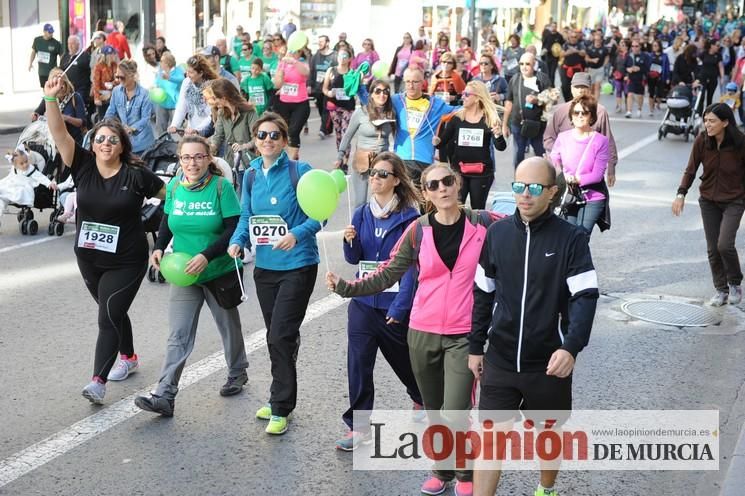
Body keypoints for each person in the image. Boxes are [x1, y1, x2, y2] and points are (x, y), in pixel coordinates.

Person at [328, 162, 500, 496]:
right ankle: (442, 471)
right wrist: (346, 288)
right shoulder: (418, 230)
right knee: (435, 410)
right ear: (425, 193)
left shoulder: (484, 223)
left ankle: (465, 475)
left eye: (447, 181)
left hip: (465, 334)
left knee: (456, 410)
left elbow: (525, 227)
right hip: (422, 331)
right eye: (433, 185)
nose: (442, 189)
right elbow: (388, 273)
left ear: (458, 183)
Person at [470, 156, 598, 496]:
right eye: (518, 186)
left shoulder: (572, 239)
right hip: (500, 358)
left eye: (534, 188)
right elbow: (483, 294)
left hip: (548, 363)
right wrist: (474, 347)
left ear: (552, 192)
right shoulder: (496, 234)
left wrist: (570, 346)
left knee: (548, 433)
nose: (524, 195)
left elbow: (585, 296)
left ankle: (545, 488)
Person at [43, 75, 166, 404]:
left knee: (108, 312)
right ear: (93, 144)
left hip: (127, 259)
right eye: (101, 139)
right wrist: (51, 99)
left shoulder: (137, 174)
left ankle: (97, 381)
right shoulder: (81, 165)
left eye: (113, 139)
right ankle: (129, 357)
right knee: (112, 310)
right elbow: (58, 132)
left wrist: (173, 235)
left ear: (122, 145)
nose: (106, 144)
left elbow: (173, 196)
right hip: (89, 257)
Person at [133, 135, 249, 417]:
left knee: (228, 327)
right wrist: (159, 248)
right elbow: (167, 221)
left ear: (209, 158)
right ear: (180, 160)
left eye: (198, 157)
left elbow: (233, 227)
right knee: (178, 334)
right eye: (186, 157)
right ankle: (165, 395)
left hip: (217, 270)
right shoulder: (174, 187)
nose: (192, 162)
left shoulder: (221, 188)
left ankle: (237, 372)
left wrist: (207, 256)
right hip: (184, 272)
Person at [228, 112, 321, 435]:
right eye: (262, 135)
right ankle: (280, 392)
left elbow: (319, 216)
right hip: (265, 268)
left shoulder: (300, 171)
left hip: (298, 264)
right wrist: (238, 242)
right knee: (280, 335)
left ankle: (281, 405)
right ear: (255, 140)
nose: (267, 140)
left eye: (274, 135)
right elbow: (246, 216)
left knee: (279, 335)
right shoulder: (252, 174)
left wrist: (296, 234)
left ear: (284, 140)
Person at [334, 152, 423, 451]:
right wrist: (350, 241)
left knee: (403, 360)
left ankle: (420, 396)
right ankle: (358, 427)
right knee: (358, 363)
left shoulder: (411, 217)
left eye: (383, 174)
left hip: (393, 303)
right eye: (373, 172)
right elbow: (354, 259)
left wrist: (401, 307)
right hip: (362, 302)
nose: (375, 177)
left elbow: (411, 267)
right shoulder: (360, 213)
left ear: (396, 180)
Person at [673, 103, 745, 306]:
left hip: (734, 200)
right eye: (705, 120)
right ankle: (721, 289)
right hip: (708, 201)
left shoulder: (740, 143)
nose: (707, 124)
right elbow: (691, 169)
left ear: (725, 122)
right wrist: (681, 194)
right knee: (713, 248)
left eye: (712, 121)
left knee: (725, 245)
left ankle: (734, 283)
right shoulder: (702, 140)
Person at [550, 95, 611, 237]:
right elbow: (554, 158)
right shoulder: (563, 137)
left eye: (584, 112)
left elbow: (597, 175)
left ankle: (580, 259)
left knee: (581, 236)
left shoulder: (601, 141)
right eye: (576, 112)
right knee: (568, 236)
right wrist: (562, 174)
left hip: (592, 196)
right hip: (569, 194)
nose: (580, 116)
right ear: (571, 115)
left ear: (592, 116)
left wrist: (577, 179)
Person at [439, 80, 506, 209]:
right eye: (463, 93)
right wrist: (437, 142)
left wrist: (498, 134)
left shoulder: (489, 118)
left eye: (467, 94)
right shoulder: (457, 117)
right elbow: (443, 142)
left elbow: (501, 147)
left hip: (482, 173)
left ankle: (478, 230)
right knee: (457, 208)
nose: (462, 96)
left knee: (478, 210)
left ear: (477, 98)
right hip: (459, 171)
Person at [543, 72, 618, 188]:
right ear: (571, 88)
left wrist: (611, 168)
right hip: (565, 174)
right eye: (577, 87)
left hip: (591, 175)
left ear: (590, 89)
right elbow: (548, 138)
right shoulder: (561, 111)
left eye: (584, 87)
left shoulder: (600, 111)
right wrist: (560, 154)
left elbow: (608, 141)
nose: (580, 90)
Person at [392, 67, 458, 187]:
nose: (411, 86)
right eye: (408, 82)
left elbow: (459, 111)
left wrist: (481, 100)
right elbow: (372, 104)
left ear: (423, 82)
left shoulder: (436, 104)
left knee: (422, 202)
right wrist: (359, 87)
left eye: (415, 82)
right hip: (401, 159)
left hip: (424, 161)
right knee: (401, 201)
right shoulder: (396, 100)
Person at [336, 79, 396, 207]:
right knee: (360, 202)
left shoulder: (391, 113)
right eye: (378, 91)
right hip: (363, 160)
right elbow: (347, 136)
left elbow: (398, 137)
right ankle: (359, 226)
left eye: (386, 92)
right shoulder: (361, 112)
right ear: (371, 94)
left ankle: (376, 226)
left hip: (382, 161)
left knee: (381, 201)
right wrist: (339, 157)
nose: (382, 95)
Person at [502, 52, 552, 168]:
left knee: (540, 153)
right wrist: (504, 124)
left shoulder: (542, 78)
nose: (524, 66)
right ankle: (519, 180)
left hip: (538, 124)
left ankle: (542, 178)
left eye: (527, 64)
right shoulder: (515, 79)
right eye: (521, 64)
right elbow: (508, 102)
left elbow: (552, 98)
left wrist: (538, 99)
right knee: (518, 154)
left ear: (534, 64)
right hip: (518, 123)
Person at [204, 78, 258, 171]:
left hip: (249, 163)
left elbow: (257, 138)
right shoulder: (221, 112)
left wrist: (243, 146)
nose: (213, 101)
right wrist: (209, 148)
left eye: (215, 98)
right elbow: (218, 137)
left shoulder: (249, 112)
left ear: (224, 98)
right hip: (230, 163)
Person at [104, 60, 155, 155]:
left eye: (122, 77)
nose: (119, 80)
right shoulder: (116, 91)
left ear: (131, 75)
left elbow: (146, 118)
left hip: (143, 143)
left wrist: (132, 128)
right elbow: (111, 112)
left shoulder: (144, 94)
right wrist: (106, 123)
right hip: (125, 142)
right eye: (117, 77)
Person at [0, 147, 56, 231]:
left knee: (20, 191)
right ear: (15, 165)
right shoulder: (14, 168)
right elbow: (11, 176)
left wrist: (49, 183)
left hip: (25, 184)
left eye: (26, 162)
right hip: (13, 183)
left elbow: (40, 177)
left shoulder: (30, 169)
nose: (25, 165)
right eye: (21, 164)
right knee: (2, 195)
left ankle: (11, 197)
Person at [272, 49, 311, 160]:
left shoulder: (302, 63)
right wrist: (281, 73)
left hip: (300, 104)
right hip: (284, 103)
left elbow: (305, 73)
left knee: (293, 131)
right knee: (286, 133)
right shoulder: (282, 64)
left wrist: (294, 61)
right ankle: (293, 156)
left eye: (294, 52)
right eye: (289, 52)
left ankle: (292, 160)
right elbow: (277, 84)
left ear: (299, 53)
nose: (291, 54)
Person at [31, 68, 87, 144]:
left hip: (73, 140)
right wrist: (35, 116)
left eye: (62, 84)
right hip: (53, 141)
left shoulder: (75, 97)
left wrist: (66, 118)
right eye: (55, 85)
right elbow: (37, 113)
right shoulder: (49, 97)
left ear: (66, 83)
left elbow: (82, 122)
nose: (59, 88)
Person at [169, 54, 219, 137]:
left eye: (191, 72)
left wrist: (197, 130)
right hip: (190, 130)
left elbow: (212, 114)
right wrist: (174, 125)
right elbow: (181, 106)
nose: (188, 75)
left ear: (201, 73)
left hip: (208, 131)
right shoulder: (186, 82)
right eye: (187, 71)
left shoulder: (211, 86)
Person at [323, 46, 357, 165]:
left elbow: (356, 89)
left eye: (345, 56)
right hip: (335, 106)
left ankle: (346, 161)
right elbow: (324, 88)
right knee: (338, 134)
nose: (342, 58)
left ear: (349, 59)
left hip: (348, 107)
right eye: (340, 56)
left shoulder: (353, 73)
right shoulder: (331, 70)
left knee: (346, 132)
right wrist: (329, 93)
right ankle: (340, 159)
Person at [309, 35, 336, 138]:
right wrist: (309, 85)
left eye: (322, 41)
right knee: (321, 108)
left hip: (329, 87)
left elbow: (338, 70)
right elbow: (311, 71)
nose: (319, 43)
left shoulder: (334, 56)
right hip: (317, 87)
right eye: (318, 41)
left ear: (327, 43)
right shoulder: (315, 56)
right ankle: (328, 128)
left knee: (326, 108)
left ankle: (323, 130)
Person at [153, 52, 185, 135]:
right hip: (162, 103)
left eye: (161, 61)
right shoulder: (160, 72)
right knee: (160, 129)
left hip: (174, 104)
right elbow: (157, 83)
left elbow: (181, 79)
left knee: (178, 129)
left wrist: (169, 78)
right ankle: (164, 145)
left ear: (167, 63)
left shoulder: (178, 70)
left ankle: (182, 146)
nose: (160, 63)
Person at [60, 35, 92, 116]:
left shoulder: (85, 57)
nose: (70, 46)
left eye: (73, 44)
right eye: (68, 43)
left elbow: (91, 73)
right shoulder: (65, 57)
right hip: (66, 89)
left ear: (78, 44)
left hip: (80, 89)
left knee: (76, 110)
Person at [624, 39, 649, 118]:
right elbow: (625, 66)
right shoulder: (629, 56)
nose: (634, 48)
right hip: (631, 78)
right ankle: (629, 111)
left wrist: (639, 68)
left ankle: (639, 109)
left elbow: (647, 67)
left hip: (641, 78)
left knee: (640, 96)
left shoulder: (645, 56)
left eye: (636, 46)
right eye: (633, 46)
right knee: (630, 94)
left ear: (640, 47)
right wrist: (628, 70)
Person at [92, 45, 118, 121]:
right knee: (103, 117)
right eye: (112, 54)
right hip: (102, 95)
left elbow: (118, 79)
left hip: (113, 94)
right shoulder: (99, 66)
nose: (114, 55)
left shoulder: (114, 65)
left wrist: (112, 84)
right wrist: (96, 98)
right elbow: (96, 82)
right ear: (107, 55)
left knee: (113, 117)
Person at [559, 30, 586, 102]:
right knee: (564, 86)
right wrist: (569, 52)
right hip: (566, 68)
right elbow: (561, 54)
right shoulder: (565, 45)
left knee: (576, 86)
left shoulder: (580, 45)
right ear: (569, 37)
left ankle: (573, 101)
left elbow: (583, 53)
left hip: (577, 69)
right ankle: (567, 101)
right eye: (572, 37)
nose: (573, 38)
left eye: (575, 37)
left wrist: (576, 51)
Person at [698, 40, 725, 111]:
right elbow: (697, 62)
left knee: (710, 97)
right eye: (717, 45)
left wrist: (722, 77)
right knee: (701, 96)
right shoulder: (704, 53)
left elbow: (721, 66)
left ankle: (708, 113)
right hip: (703, 77)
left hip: (713, 78)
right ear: (712, 46)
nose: (718, 47)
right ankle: (699, 113)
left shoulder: (718, 55)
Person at [647, 40, 671, 116]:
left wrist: (667, 77)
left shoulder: (664, 56)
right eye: (653, 46)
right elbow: (647, 65)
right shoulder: (650, 55)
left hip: (660, 76)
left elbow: (667, 67)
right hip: (651, 76)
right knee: (651, 93)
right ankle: (651, 109)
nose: (655, 47)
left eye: (656, 45)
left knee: (659, 93)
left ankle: (658, 105)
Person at [584, 31, 609, 100]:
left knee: (597, 86)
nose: (597, 41)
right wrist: (592, 60)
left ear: (601, 40)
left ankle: (596, 104)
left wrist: (604, 65)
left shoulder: (604, 49)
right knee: (591, 87)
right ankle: (591, 101)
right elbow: (586, 58)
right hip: (591, 69)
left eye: (599, 40)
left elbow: (607, 57)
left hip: (600, 70)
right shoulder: (589, 48)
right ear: (594, 39)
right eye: (596, 40)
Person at [611, 40, 629, 113]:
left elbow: (630, 65)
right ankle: (619, 106)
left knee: (626, 92)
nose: (621, 46)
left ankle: (627, 106)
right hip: (618, 76)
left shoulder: (629, 55)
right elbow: (614, 65)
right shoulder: (617, 54)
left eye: (623, 45)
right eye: (621, 45)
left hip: (626, 76)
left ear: (627, 47)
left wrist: (627, 75)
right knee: (618, 91)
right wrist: (613, 73)